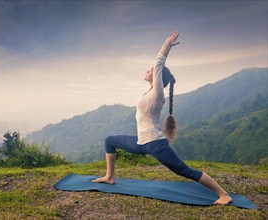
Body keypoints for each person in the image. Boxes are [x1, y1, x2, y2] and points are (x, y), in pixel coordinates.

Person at [92, 30, 232, 205]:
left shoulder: (158, 93)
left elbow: (158, 63)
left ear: (158, 78)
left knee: (185, 171)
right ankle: (109, 177)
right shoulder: (150, 92)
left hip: (156, 145)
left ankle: (224, 194)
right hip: (141, 143)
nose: (149, 70)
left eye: (151, 70)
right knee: (109, 140)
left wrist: (167, 45)